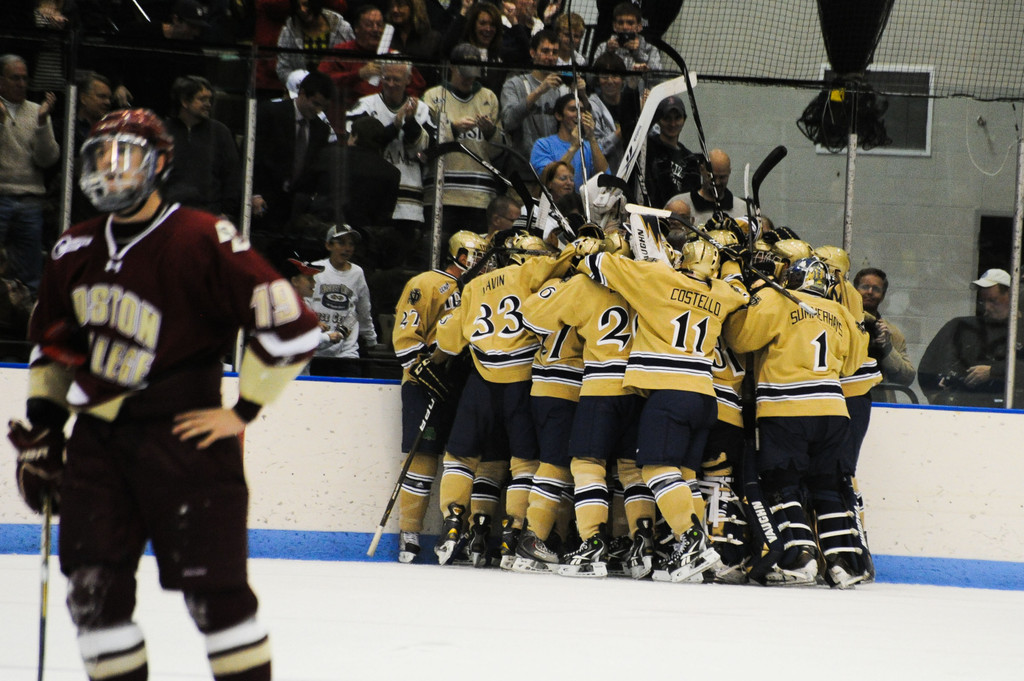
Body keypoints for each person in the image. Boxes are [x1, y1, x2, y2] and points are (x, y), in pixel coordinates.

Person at [9, 108, 320, 681]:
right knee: (92, 594)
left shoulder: (201, 236)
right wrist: (45, 431)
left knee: (217, 598)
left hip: (186, 444)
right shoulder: (70, 249)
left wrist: (244, 410)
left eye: (126, 156)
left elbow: (291, 323)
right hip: (98, 447)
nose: (112, 170)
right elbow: (51, 349)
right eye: (102, 157)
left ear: (159, 165)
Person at [573, 229, 749, 583]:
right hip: (705, 395)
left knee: (655, 470)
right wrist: (731, 262)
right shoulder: (721, 291)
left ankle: (691, 540)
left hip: (668, 392)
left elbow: (593, 262)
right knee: (685, 476)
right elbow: (741, 291)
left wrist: (590, 247)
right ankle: (700, 550)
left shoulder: (656, 277)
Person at [724, 256, 873, 588]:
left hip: (786, 409)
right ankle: (842, 564)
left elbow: (741, 339)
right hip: (833, 411)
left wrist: (758, 292)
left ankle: (800, 559)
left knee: (783, 484)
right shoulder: (840, 312)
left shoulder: (778, 299)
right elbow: (851, 366)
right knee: (827, 487)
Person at [391, 230, 488, 563]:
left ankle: (458, 531)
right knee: (423, 457)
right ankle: (410, 530)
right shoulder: (427, 283)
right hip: (426, 382)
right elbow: (407, 330)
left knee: (461, 456)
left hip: (465, 382)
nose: (479, 260)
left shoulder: (480, 288)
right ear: (458, 254)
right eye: (474, 254)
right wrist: (421, 368)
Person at [347, 61, 431, 265]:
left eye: (397, 79)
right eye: (387, 78)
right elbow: (358, 146)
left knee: (398, 262)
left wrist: (410, 124)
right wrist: (394, 126)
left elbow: (427, 152)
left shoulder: (422, 110)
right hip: (369, 201)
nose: (391, 84)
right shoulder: (365, 105)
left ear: (409, 80)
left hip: (407, 204)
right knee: (364, 261)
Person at [422, 43, 503, 242]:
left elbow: (499, 151)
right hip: (442, 194)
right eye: (464, 73)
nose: (469, 79)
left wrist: (490, 131)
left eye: (473, 74)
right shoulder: (433, 97)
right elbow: (424, 145)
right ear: (451, 67)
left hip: (479, 196)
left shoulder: (489, 97)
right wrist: (453, 129)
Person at [918, 268, 1024, 408]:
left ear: (1012, 295)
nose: (987, 307)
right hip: (962, 412)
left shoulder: (1021, 331)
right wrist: (937, 398)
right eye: (983, 301)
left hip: (1012, 415)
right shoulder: (960, 327)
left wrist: (993, 371)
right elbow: (927, 366)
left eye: (993, 301)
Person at [252, 71, 335, 245]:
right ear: (302, 93)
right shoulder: (271, 112)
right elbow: (254, 155)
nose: (319, 110)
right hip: (263, 198)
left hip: (294, 207)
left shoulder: (321, 129)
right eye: (316, 104)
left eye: (323, 107)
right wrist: (254, 193)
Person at [0, 54, 59, 294]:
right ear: (1, 80)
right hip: (0, 196)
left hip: (30, 200)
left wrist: (43, 122)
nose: (22, 84)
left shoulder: (37, 111)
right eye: (15, 78)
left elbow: (48, 159)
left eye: (25, 79)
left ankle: (24, 320)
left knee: (30, 273)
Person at [500, 30, 580, 186]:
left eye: (554, 52)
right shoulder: (515, 84)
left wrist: (581, 94)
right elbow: (508, 121)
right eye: (545, 51)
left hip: (555, 177)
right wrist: (539, 91)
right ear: (532, 52)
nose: (550, 57)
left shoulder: (563, 90)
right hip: (522, 176)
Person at [162, 76, 243, 222]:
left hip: (209, 215)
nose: (208, 104)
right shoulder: (162, 131)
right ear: (184, 101)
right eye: (202, 99)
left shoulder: (220, 132)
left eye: (209, 99)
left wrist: (226, 212)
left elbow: (232, 176)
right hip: (168, 215)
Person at [318, 5, 426, 111]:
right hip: (346, 113)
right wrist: (358, 74)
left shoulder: (393, 56)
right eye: (369, 25)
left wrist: (399, 103)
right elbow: (320, 82)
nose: (376, 29)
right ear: (357, 28)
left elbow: (417, 86)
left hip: (386, 114)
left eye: (379, 25)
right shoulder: (341, 52)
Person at [308, 223, 378, 376]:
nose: (347, 248)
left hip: (347, 351)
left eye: (351, 244)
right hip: (317, 350)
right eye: (341, 243)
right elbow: (303, 302)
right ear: (328, 245)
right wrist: (313, 322)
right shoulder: (315, 269)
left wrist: (370, 337)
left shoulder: (357, 273)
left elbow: (363, 308)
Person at [853, 266, 917, 400]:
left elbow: (907, 378)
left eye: (876, 289)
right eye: (865, 287)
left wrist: (887, 348)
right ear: (854, 290)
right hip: (844, 401)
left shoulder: (890, 332)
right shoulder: (839, 322)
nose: (870, 292)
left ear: (883, 296)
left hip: (881, 404)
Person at [530, 92, 609, 190]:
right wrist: (574, 147)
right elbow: (547, 179)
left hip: (581, 203)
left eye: (582, 111)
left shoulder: (590, 146)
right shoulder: (543, 145)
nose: (579, 115)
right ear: (559, 115)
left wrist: (592, 138)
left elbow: (605, 178)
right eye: (573, 110)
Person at [275, 0, 355, 86]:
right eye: (298, 7)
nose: (302, 10)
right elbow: (282, 68)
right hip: (301, 92)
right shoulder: (288, 30)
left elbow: (353, 64)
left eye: (306, 4)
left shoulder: (342, 28)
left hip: (337, 90)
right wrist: (300, 83)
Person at [588, 51, 643, 174]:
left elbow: (653, 133)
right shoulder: (592, 107)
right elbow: (595, 149)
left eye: (615, 76)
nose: (610, 81)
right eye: (605, 76)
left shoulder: (634, 102)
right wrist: (623, 130)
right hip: (605, 176)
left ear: (622, 79)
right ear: (597, 80)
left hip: (634, 174)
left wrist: (647, 113)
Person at [71, 71, 114, 224]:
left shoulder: (113, 131)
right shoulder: (68, 128)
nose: (107, 102)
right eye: (101, 97)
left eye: (109, 98)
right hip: (74, 205)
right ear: (83, 98)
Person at [644, 95, 701, 210]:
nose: (673, 124)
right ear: (658, 121)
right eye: (667, 118)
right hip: (653, 215)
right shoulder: (648, 148)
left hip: (680, 218)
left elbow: (693, 197)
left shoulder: (690, 160)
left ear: (684, 120)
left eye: (677, 118)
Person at [591, 2, 663, 85]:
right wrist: (607, 53)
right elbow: (591, 79)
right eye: (621, 23)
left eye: (630, 23)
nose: (625, 27)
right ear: (614, 26)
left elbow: (657, 79)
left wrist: (638, 53)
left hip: (639, 95)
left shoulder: (650, 49)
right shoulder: (603, 47)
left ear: (639, 26)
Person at [672, 148, 741, 224]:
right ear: (701, 169)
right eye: (712, 177)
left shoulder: (742, 210)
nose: (717, 182)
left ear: (729, 172)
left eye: (722, 177)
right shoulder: (677, 205)